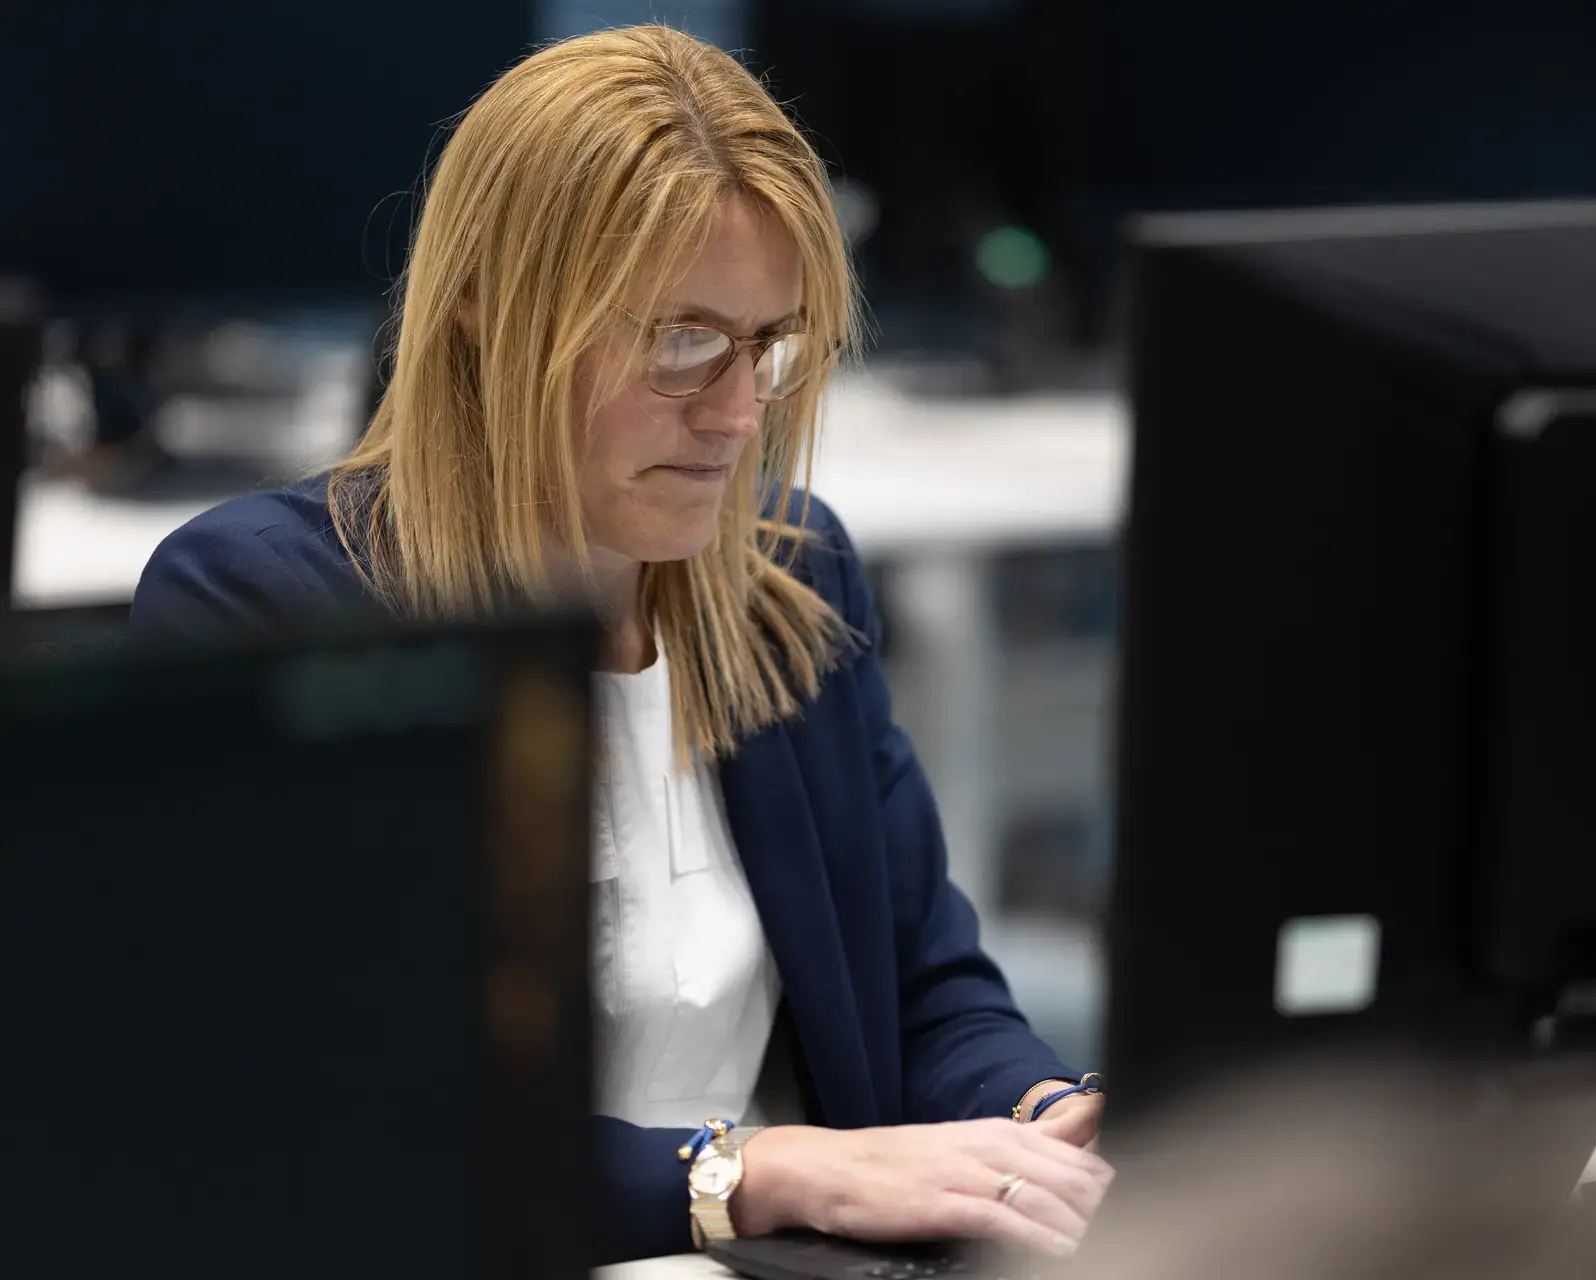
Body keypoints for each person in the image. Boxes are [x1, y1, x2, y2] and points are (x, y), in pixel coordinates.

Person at [128, 25, 1109, 1265]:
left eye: (771, 345)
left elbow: (927, 991)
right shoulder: (269, 609)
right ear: (488, 311)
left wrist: (1037, 1114)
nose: (742, 412)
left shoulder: (789, 585)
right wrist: (746, 1168)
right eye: (683, 340)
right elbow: (319, 1113)